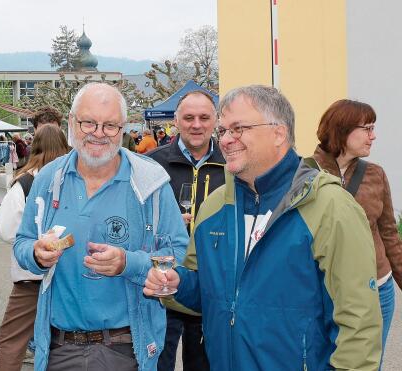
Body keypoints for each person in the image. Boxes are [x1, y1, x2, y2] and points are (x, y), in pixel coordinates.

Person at [144, 85, 383, 370]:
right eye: (223, 131)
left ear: (278, 133)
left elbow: (359, 325)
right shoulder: (214, 208)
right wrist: (177, 285)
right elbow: (210, 293)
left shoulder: (331, 207)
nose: (226, 140)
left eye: (238, 129)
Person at [14, 83, 189, 370]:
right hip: (59, 348)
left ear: (123, 129)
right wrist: (35, 254)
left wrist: (128, 262)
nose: (98, 133)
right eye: (88, 123)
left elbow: (178, 256)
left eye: (110, 125)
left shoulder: (150, 182)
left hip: (124, 349)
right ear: (71, 123)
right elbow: (22, 242)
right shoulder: (48, 179)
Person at [312, 99, 402, 367]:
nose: (373, 136)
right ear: (342, 129)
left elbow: (389, 235)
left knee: (367, 365)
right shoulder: (305, 173)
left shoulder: (376, 174)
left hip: (377, 290)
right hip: (325, 291)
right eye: (368, 128)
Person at [147, 90, 223, 371]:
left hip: (209, 279)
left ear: (215, 120)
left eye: (204, 117)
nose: (196, 124)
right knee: (158, 361)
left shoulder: (231, 164)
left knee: (204, 363)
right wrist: (164, 223)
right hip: (163, 280)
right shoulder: (152, 163)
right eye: (189, 118)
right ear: (176, 121)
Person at [0, 124, 70, 370]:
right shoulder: (74, 179)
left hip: (30, 275)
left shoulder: (24, 183)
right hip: (67, 274)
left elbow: (6, 229)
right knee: (65, 341)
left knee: (12, 340)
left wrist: (31, 240)